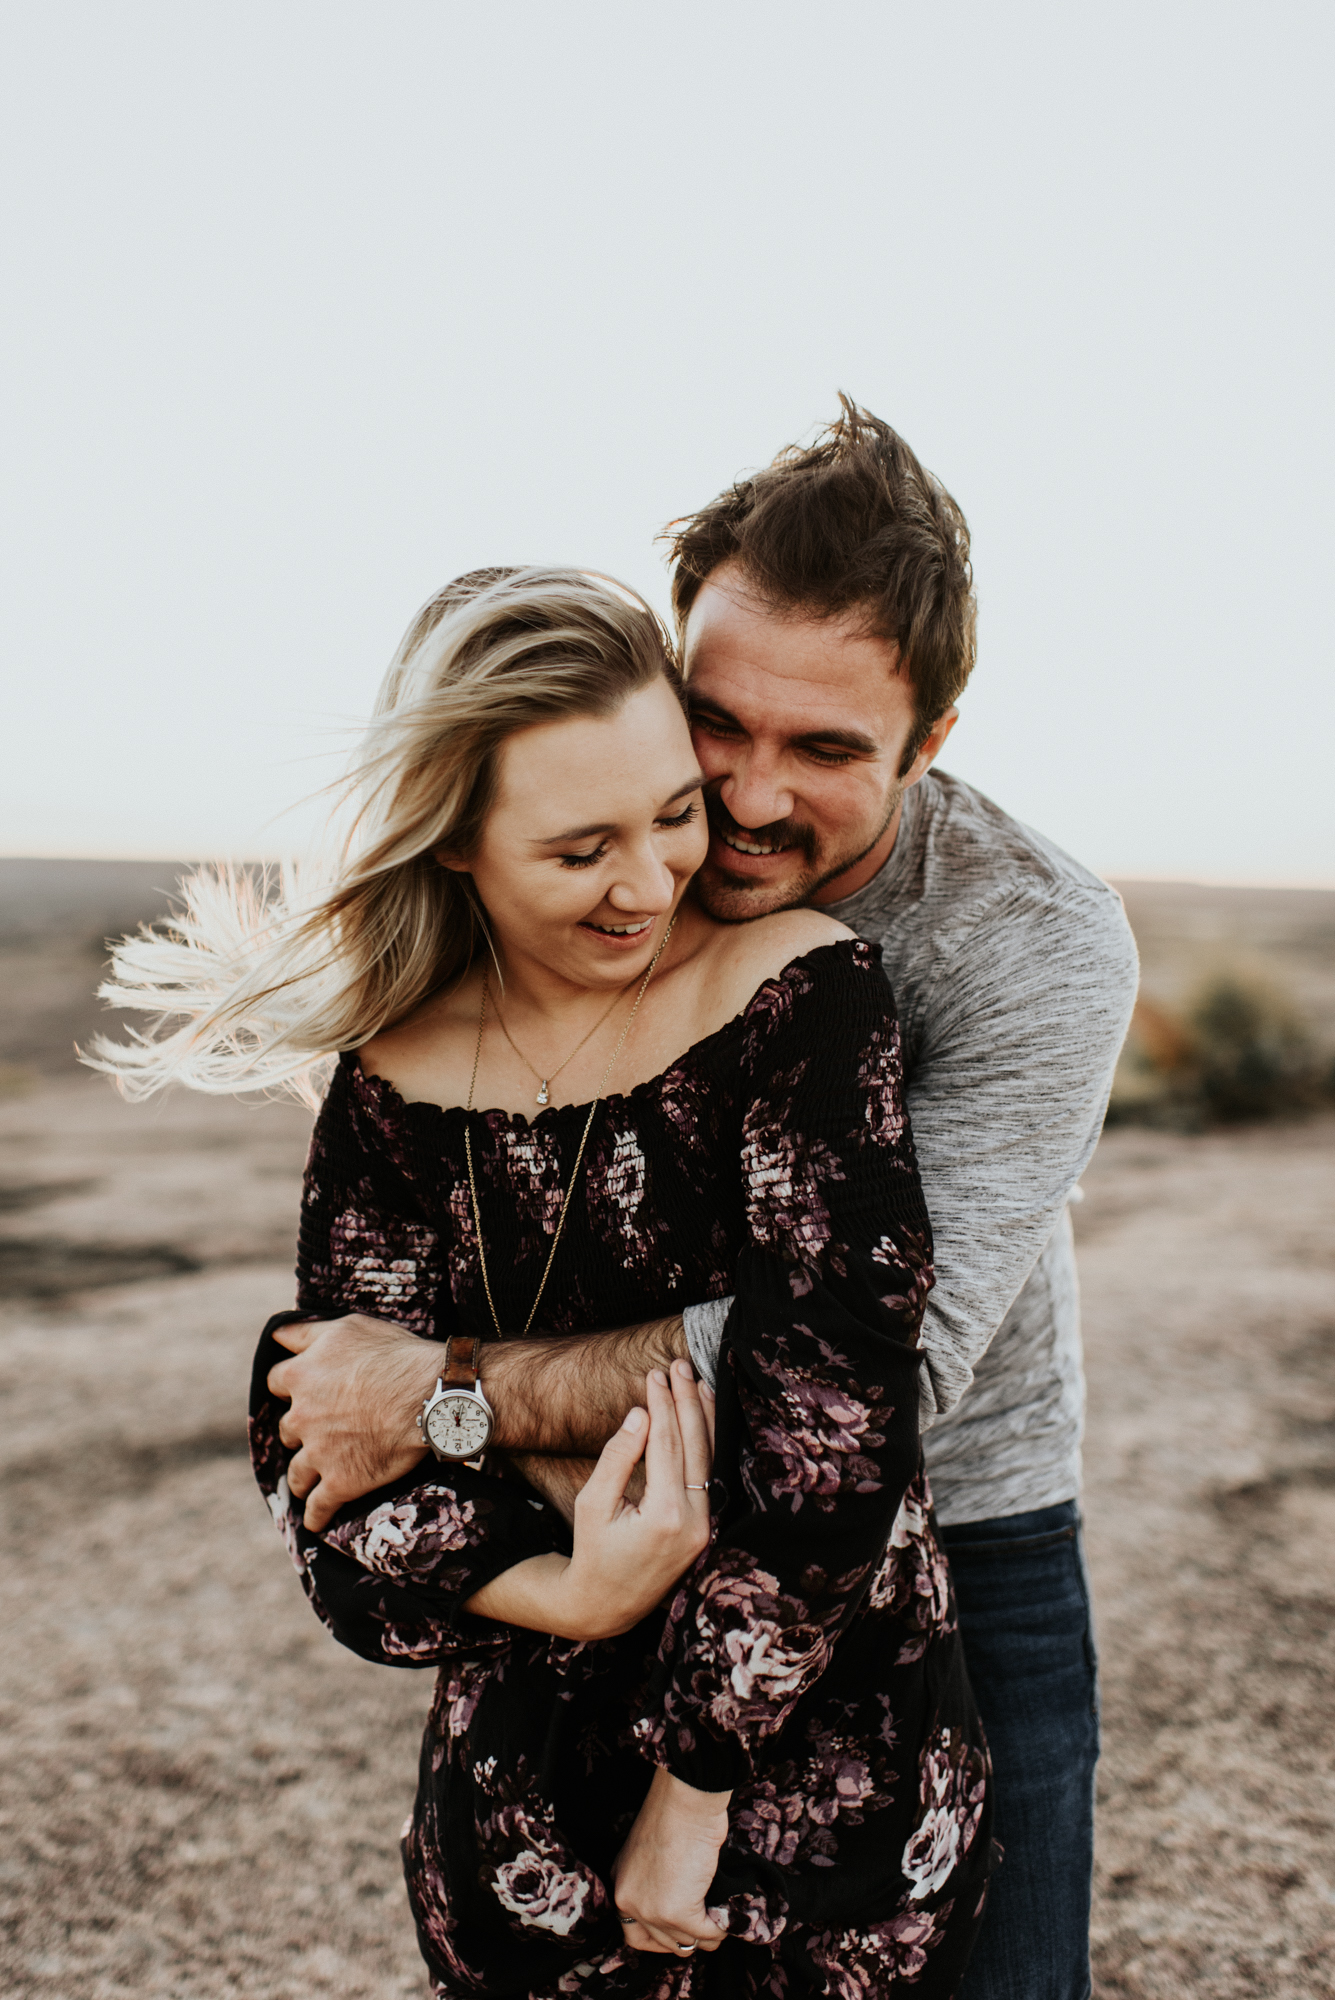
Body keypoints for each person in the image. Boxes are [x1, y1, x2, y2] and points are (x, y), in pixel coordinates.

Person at [274, 405, 1140, 2000]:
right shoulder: (585, 873)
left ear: (931, 740)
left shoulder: (1029, 942)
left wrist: (442, 1397)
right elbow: (328, 1394)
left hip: (963, 1523)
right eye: (716, 723)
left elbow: (869, 1373)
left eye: (824, 750)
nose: (736, 804)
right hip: (596, 1551)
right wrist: (540, 1563)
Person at [89, 566, 995, 1998]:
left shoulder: (803, 999)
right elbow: (327, 1452)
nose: (651, 882)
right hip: (519, 1816)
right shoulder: (389, 1077)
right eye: (581, 851)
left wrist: (692, 1790)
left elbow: (836, 1418)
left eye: (671, 815)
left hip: (817, 1780)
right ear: (458, 845)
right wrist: (568, 1591)